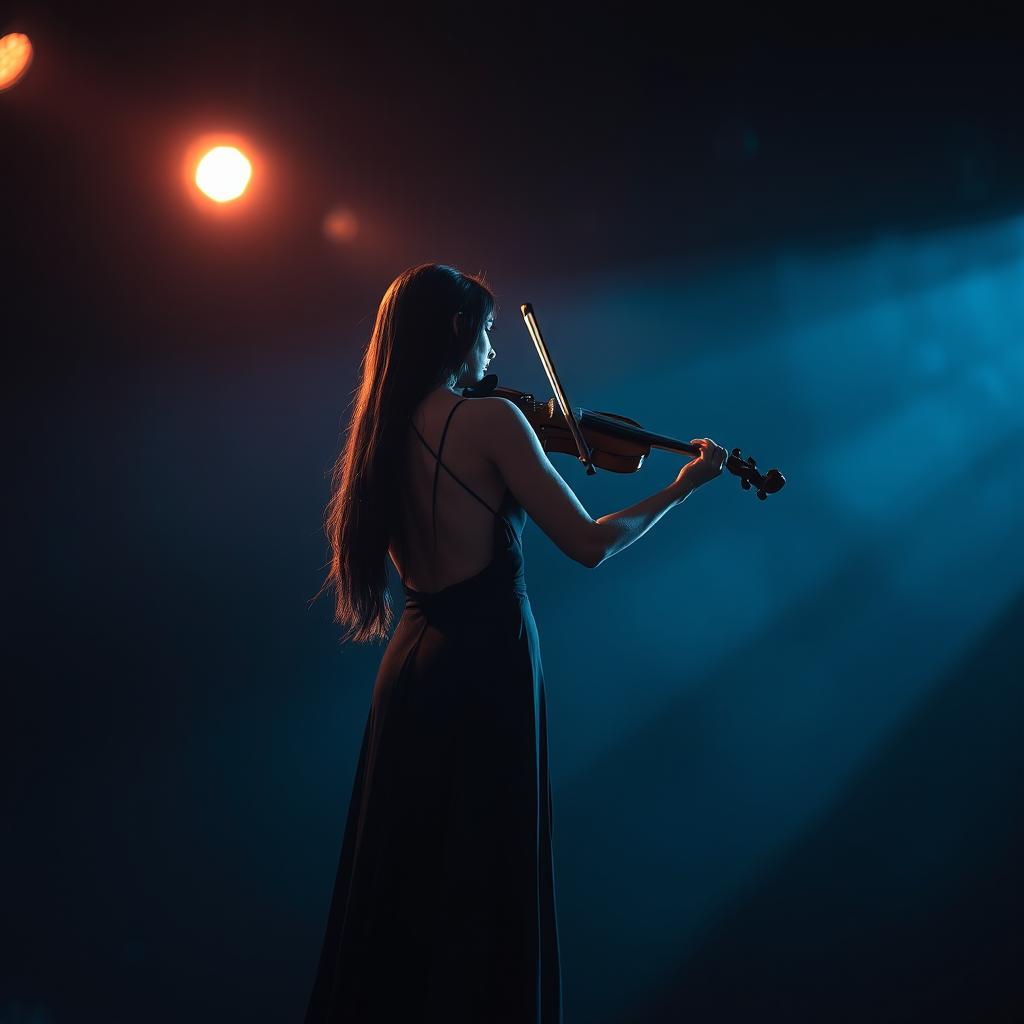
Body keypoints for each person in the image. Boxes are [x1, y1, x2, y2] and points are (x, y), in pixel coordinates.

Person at [304, 263, 727, 1023]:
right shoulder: (494, 422)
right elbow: (590, 543)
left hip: (411, 662)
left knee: (405, 872)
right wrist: (683, 486)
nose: (498, 345)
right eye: (490, 327)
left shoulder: (379, 431)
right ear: (460, 331)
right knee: (482, 873)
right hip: (483, 663)